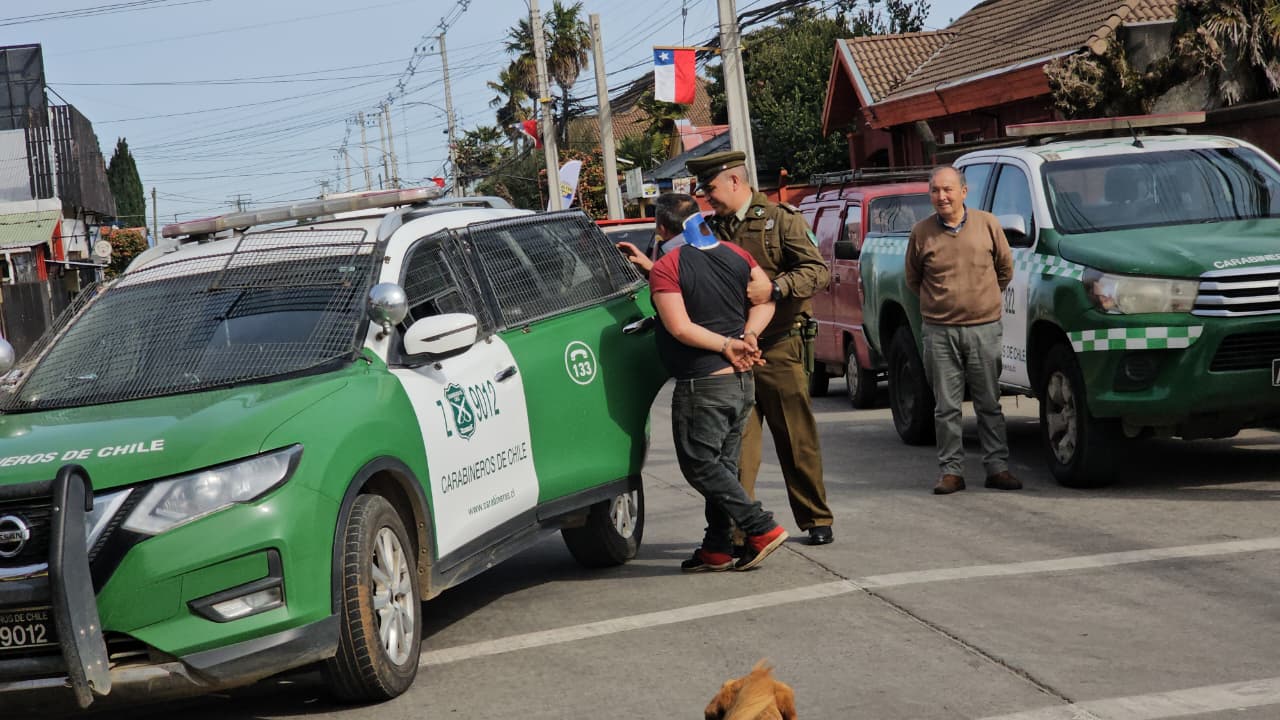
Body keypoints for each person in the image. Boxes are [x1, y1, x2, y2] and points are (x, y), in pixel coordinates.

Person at [684, 151, 835, 546]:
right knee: (735, 450)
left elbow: (817, 271)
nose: (706, 197)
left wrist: (776, 288)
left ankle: (816, 518)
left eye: (711, 188)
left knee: (796, 440)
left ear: (735, 181)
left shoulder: (781, 220)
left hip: (779, 347)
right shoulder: (707, 230)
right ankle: (741, 531)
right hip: (732, 355)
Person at [645, 192, 789, 572]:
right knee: (722, 467)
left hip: (704, 384)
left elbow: (679, 327)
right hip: (741, 382)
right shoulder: (735, 253)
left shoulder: (668, 266)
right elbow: (766, 298)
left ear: (662, 229)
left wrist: (728, 345)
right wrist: (749, 335)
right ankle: (718, 547)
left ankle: (761, 528)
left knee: (699, 465)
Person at [904, 166, 1021, 495]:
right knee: (946, 407)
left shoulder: (987, 224)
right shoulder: (921, 232)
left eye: (948, 189)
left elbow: (1005, 269)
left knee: (989, 403)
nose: (942, 196)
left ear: (964, 192)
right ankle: (951, 472)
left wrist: (980, 302)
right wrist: (942, 305)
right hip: (940, 332)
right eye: (935, 190)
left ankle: (997, 468)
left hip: (984, 329)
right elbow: (913, 279)